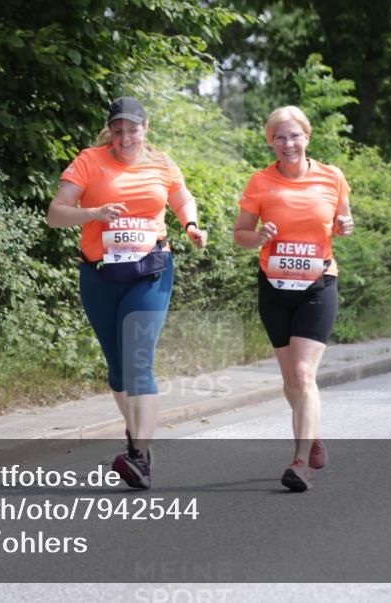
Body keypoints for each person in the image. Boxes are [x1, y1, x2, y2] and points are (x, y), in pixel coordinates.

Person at [47, 97, 207, 489]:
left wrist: (190, 225)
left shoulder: (162, 162)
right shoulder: (89, 160)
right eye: (118, 130)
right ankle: (139, 442)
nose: (125, 137)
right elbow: (55, 215)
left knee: (138, 363)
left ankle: (138, 456)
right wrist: (93, 214)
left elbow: (182, 197)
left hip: (149, 271)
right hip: (99, 275)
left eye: (132, 129)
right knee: (119, 372)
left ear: (145, 128)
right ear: (110, 131)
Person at [233, 106, 354, 492]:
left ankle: (300, 462)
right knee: (290, 380)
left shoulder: (331, 177)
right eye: (280, 137)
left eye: (295, 136)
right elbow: (240, 234)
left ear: (308, 137)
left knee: (303, 374)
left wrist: (345, 225)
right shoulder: (260, 182)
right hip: (274, 287)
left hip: (318, 285)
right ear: (271, 142)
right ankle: (312, 431)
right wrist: (260, 238)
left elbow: (342, 221)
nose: (288, 144)